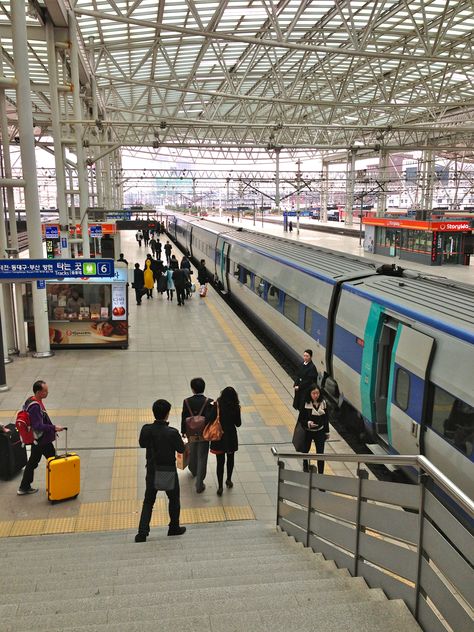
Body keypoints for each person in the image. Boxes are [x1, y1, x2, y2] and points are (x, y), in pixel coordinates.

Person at [135, 399, 186, 542]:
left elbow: (142, 443)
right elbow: (181, 449)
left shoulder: (146, 429)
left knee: (148, 501)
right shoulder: (172, 432)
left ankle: (142, 532)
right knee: (173, 499)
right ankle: (174, 527)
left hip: (152, 469)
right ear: (167, 414)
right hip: (168, 470)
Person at [18, 381, 65, 495]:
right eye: (45, 391)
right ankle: (59, 485)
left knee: (33, 462)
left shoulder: (31, 399)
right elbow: (37, 425)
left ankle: (24, 487)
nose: (47, 392)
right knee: (53, 460)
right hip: (41, 439)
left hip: (36, 440)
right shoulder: (35, 406)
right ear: (38, 392)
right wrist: (54, 428)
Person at [181, 378, 213, 493]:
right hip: (204, 434)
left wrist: (183, 431)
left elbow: (183, 416)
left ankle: (193, 470)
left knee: (192, 452)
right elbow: (211, 419)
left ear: (192, 389)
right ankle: (199, 484)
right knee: (202, 457)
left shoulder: (186, 401)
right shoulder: (210, 401)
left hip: (191, 433)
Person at [209, 387, 241, 496]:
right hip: (231, 437)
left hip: (219, 437)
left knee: (220, 462)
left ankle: (220, 486)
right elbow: (238, 423)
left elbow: (210, 418)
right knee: (230, 459)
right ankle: (229, 479)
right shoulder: (236, 407)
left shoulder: (217, 405)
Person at [297, 385, 329, 474]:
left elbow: (326, 418)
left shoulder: (323, 403)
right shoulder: (306, 404)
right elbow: (301, 419)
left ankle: (321, 473)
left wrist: (327, 432)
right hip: (308, 432)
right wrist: (308, 423)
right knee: (306, 449)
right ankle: (305, 464)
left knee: (320, 454)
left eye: (317, 393)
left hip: (320, 432)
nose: (316, 395)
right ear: (310, 394)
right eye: (314, 393)